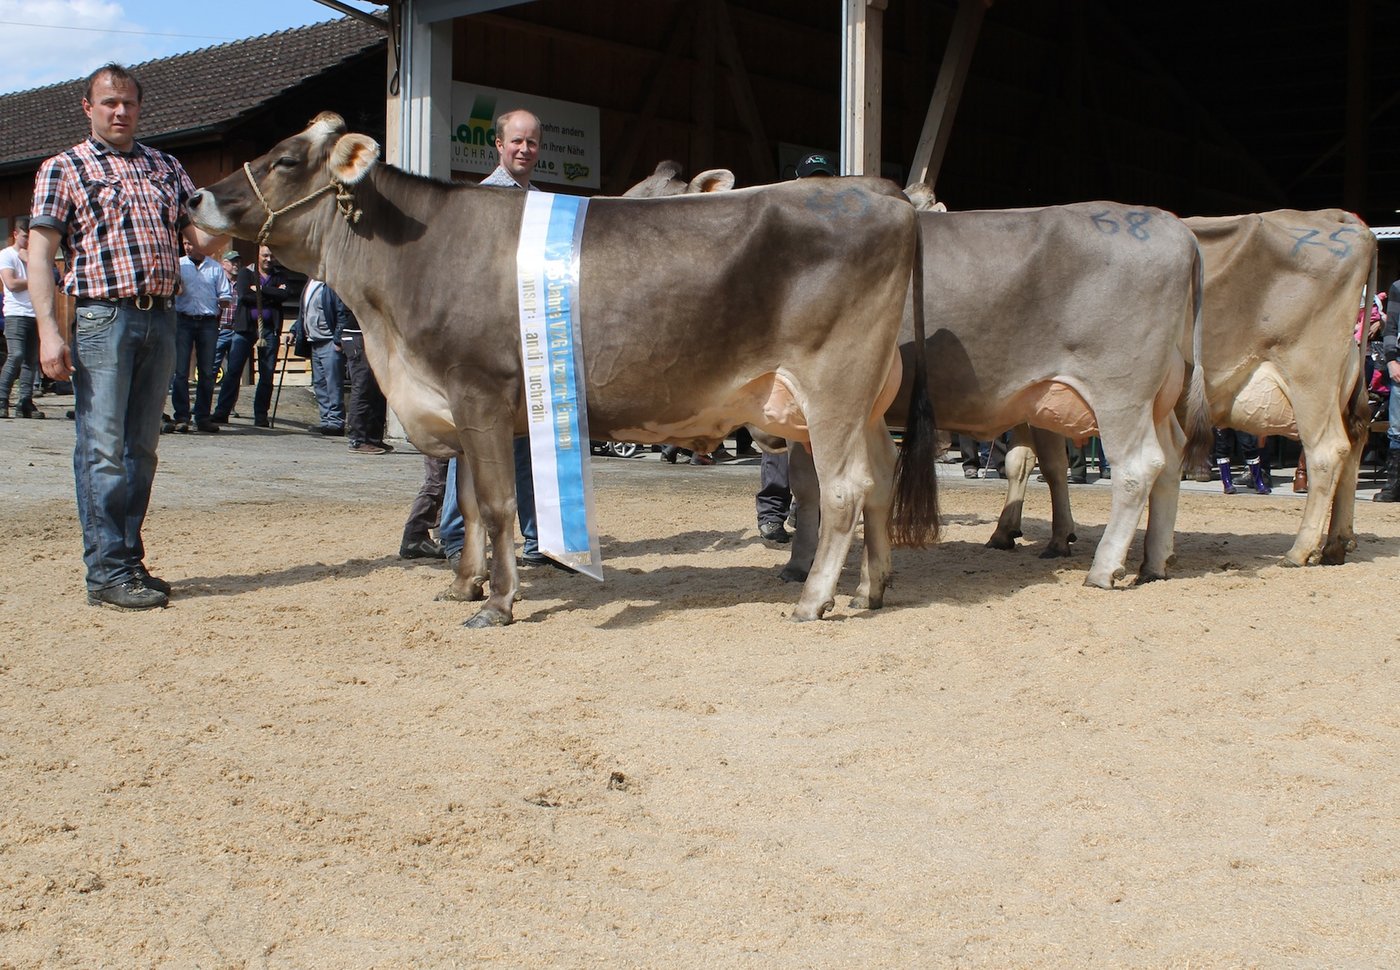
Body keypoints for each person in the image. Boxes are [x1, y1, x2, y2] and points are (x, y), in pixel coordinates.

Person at [28, 63, 218, 610]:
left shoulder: (166, 166)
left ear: (139, 107)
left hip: (162, 316)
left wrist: (243, 208)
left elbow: (202, 239)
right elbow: (41, 254)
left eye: (129, 103)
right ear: (88, 108)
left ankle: (128, 559)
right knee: (103, 450)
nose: (120, 111)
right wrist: (48, 331)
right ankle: (107, 570)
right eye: (109, 102)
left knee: (142, 450)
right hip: (101, 317)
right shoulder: (63, 167)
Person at [438, 108, 565, 569]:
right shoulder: (479, 201)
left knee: (529, 441)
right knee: (474, 440)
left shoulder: (542, 202)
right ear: (498, 145)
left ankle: (536, 540)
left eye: (532, 142)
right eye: (517, 141)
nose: (525, 149)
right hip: (485, 342)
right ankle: (455, 537)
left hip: (529, 337)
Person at [212, 245, 287, 426]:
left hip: (269, 329)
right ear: (258, 256)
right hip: (246, 328)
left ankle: (261, 415)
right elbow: (245, 295)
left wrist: (260, 290)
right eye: (265, 255)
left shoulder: (279, 274)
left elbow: (285, 294)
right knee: (234, 370)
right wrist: (272, 294)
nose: (269, 259)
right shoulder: (247, 273)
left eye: (272, 256)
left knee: (267, 373)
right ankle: (222, 411)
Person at [165, 236, 230, 433]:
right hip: (183, 320)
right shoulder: (179, 265)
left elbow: (225, 294)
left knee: (207, 372)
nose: (187, 246)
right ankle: (182, 416)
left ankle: (202, 417)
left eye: (190, 243)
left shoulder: (215, 268)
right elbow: (170, 290)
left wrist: (222, 301)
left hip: (208, 322)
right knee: (181, 371)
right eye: (185, 243)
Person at [333, 284, 392, 454]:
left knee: (378, 388)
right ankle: (358, 439)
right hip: (357, 334)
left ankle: (374, 438)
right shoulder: (354, 284)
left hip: (374, 335)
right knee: (363, 386)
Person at [0, 218, 43, 419]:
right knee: (15, 355)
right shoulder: (6, 255)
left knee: (31, 361)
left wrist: (31, 262)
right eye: (25, 236)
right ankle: (1, 399)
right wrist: (35, 277)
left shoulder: (34, 257)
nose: (28, 241)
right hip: (15, 313)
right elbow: (11, 283)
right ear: (16, 234)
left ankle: (25, 403)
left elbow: (50, 278)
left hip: (35, 312)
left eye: (31, 237)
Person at [297, 276, 346, 436]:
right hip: (314, 340)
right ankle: (326, 420)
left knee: (333, 383)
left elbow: (341, 312)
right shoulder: (309, 284)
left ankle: (336, 422)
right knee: (319, 384)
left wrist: (338, 339)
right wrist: (294, 330)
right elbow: (304, 311)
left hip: (328, 340)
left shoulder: (331, 284)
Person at [1374, 276, 1400, 502]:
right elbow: (1390, 328)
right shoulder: (1398, 288)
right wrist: (1391, 360)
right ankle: (1394, 485)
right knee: (1397, 428)